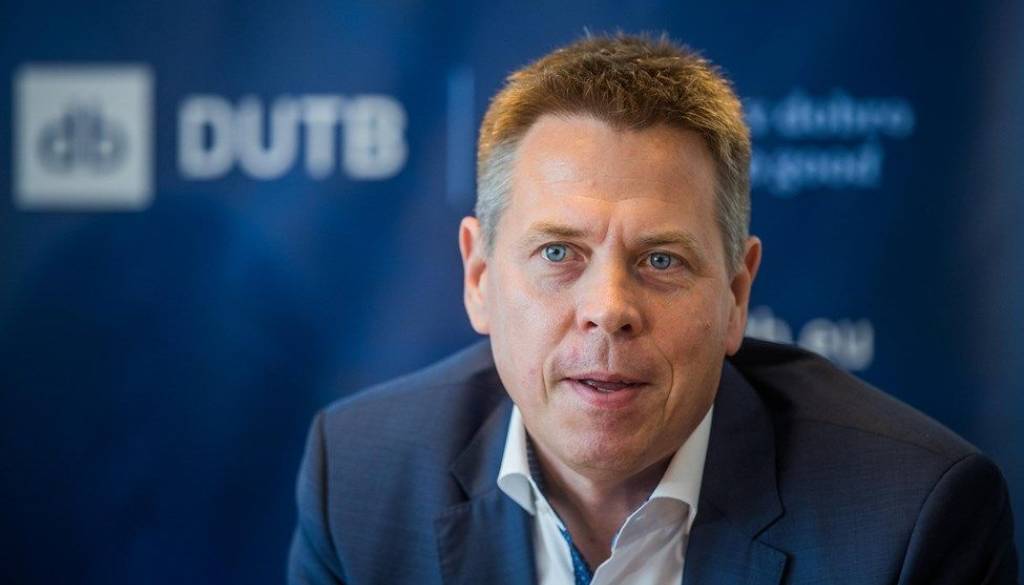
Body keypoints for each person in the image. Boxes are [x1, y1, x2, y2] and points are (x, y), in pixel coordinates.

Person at [288, 34, 1018, 584]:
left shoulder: (908, 521)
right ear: (478, 275)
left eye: (661, 259)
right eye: (558, 252)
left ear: (735, 295)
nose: (609, 309)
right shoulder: (358, 477)